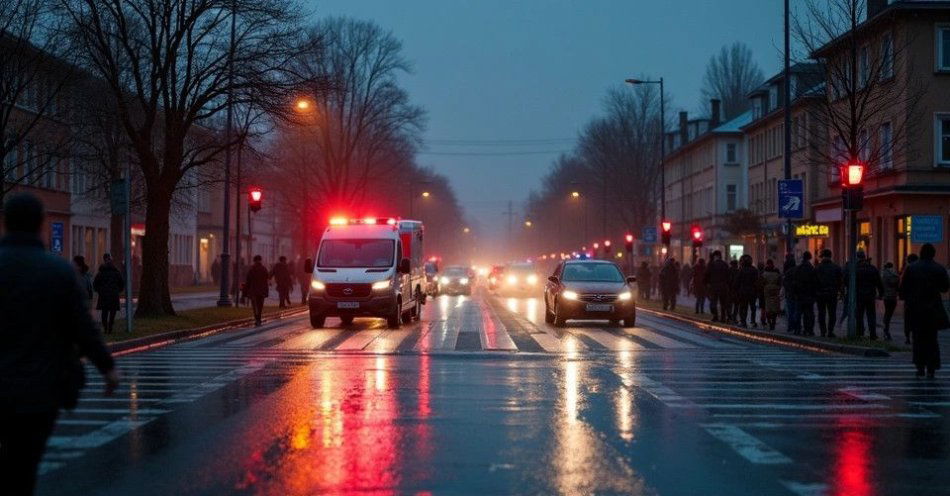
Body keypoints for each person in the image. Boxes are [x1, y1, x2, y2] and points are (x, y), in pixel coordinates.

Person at [0, 193, 119, 495]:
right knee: (25, 464)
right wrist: (107, 367)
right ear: (40, 225)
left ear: (6, 223)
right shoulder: (57, 272)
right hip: (41, 389)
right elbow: (83, 328)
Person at [898, 243, 949, 378]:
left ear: (921, 253)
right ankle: (931, 368)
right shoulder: (939, 268)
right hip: (933, 309)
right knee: (932, 339)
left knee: (918, 338)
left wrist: (907, 298)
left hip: (915, 309)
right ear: (933, 254)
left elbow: (902, 289)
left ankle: (920, 366)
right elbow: (945, 288)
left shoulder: (911, 268)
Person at [854, 251, 884, 339]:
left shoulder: (855, 269)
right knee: (871, 315)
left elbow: (847, 281)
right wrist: (881, 293)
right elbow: (879, 282)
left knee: (859, 315)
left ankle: (860, 333)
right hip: (870, 295)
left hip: (859, 295)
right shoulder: (872, 268)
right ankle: (873, 334)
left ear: (857, 258)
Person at [93, 253, 125, 334]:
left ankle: (105, 327)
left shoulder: (101, 273)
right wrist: (118, 290)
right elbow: (121, 283)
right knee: (112, 311)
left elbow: (95, 284)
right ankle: (110, 326)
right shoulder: (116, 272)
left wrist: (99, 290)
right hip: (113, 294)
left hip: (104, 295)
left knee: (104, 312)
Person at [815, 249, 843, 338]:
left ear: (823, 256)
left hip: (820, 294)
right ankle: (830, 331)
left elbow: (814, 281)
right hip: (832, 293)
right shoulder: (836, 267)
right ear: (831, 256)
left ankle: (823, 331)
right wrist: (840, 292)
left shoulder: (818, 268)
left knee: (821, 313)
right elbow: (840, 281)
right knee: (832, 313)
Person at [793, 251, 819, 336]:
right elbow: (815, 283)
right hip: (809, 295)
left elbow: (794, 282)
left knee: (798, 313)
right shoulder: (812, 269)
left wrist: (795, 293)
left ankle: (797, 329)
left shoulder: (798, 268)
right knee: (809, 314)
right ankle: (809, 330)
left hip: (799, 295)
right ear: (810, 258)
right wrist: (814, 294)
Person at [899, 253, 920, 345]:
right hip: (922, 299)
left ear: (910, 261)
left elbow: (903, 284)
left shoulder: (909, 269)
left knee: (908, 319)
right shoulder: (923, 268)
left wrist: (901, 295)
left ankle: (908, 337)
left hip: (910, 299)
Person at [704, 250, 730, 322]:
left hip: (714, 286)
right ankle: (723, 317)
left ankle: (715, 316)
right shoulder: (725, 264)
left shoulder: (712, 264)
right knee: (723, 303)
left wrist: (706, 284)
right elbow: (728, 276)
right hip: (723, 286)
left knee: (713, 302)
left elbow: (706, 274)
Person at [735, 255, 759, 328]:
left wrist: (736, 290)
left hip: (743, 291)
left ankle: (743, 322)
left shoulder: (741, 270)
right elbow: (757, 281)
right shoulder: (754, 270)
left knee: (743, 307)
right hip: (752, 291)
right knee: (753, 307)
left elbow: (737, 281)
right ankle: (753, 321)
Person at [246, 255, 270, 326]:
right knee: (260, 305)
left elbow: (248, 280)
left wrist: (247, 290)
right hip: (262, 290)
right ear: (260, 260)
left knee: (255, 306)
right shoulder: (264, 269)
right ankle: (259, 318)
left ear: (254, 261)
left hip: (254, 290)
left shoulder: (251, 269)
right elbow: (267, 278)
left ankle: (256, 318)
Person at [881, 261, 900, 342]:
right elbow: (897, 285)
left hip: (886, 297)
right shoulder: (895, 275)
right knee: (889, 313)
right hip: (893, 296)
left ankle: (886, 327)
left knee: (887, 313)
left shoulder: (883, 275)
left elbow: (881, 285)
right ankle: (886, 328)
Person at [761, 259, 782, 330]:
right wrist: (778, 288)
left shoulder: (764, 273)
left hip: (767, 292)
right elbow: (780, 282)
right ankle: (773, 322)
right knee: (775, 308)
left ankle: (769, 322)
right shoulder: (777, 273)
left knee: (768, 308)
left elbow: (762, 283)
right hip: (775, 291)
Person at [782, 254, 799, 334]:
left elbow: (784, 283)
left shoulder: (787, 272)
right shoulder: (798, 270)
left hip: (789, 294)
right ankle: (797, 326)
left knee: (790, 311)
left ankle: (790, 326)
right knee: (796, 310)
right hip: (797, 294)